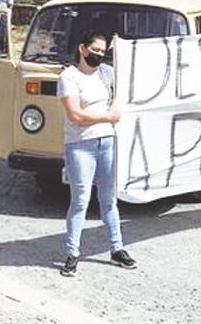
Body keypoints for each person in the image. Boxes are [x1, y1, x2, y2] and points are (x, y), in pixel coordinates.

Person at [57, 31, 136, 277]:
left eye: (103, 52)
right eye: (95, 50)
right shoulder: (68, 76)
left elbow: (121, 95)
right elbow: (75, 115)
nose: (98, 55)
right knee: (80, 201)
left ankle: (117, 248)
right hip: (80, 145)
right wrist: (107, 117)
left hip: (107, 142)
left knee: (109, 199)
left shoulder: (106, 74)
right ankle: (72, 254)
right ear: (82, 48)